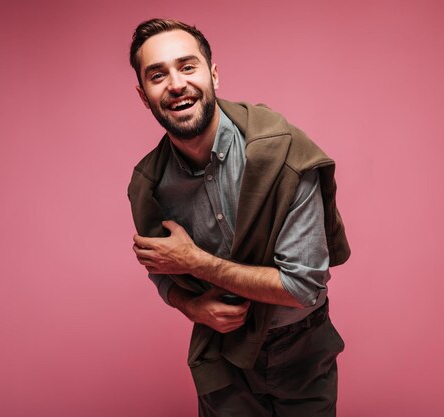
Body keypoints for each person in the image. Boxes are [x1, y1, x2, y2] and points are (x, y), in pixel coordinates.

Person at [127, 18, 350, 417]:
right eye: (158, 75)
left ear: (213, 74)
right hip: (222, 352)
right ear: (144, 95)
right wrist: (189, 306)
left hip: (300, 346)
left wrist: (197, 263)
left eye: (188, 66)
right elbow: (161, 267)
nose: (176, 83)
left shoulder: (283, 152)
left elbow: (302, 285)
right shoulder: (150, 183)